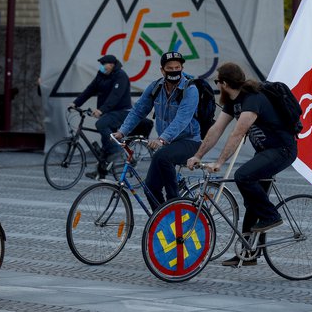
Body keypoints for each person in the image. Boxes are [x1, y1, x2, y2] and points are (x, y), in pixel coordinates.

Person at [186, 62, 297, 267]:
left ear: (225, 83)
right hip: (265, 151)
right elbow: (216, 129)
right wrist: (198, 155)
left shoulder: (252, 99)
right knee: (252, 201)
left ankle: (271, 215)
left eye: (217, 81)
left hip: (282, 150)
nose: (217, 85)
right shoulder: (232, 102)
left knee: (243, 176)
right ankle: (249, 253)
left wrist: (220, 162)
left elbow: (237, 133)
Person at [113, 51, 201, 209]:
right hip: (168, 144)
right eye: (170, 67)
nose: (174, 70)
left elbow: (182, 119)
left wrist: (161, 139)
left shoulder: (190, 89)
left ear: (182, 68)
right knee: (150, 188)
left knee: (162, 156)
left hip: (189, 141)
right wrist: (122, 132)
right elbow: (139, 110)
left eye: (177, 67)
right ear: (162, 70)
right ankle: (162, 221)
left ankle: (174, 203)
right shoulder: (155, 87)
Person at [70, 54, 132, 180]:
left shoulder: (120, 76)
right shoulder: (101, 75)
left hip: (121, 111)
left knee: (101, 125)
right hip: (108, 113)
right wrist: (76, 103)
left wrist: (101, 110)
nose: (102, 67)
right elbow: (90, 90)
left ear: (111, 65)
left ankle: (117, 149)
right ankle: (101, 172)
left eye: (104, 64)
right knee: (105, 140)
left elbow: (115, 96)